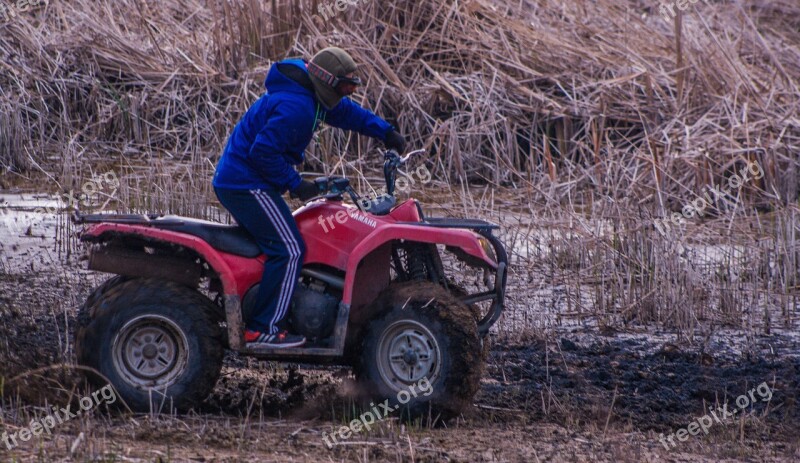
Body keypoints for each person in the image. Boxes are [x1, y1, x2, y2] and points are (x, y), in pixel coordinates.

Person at [213, 47, 406, 348]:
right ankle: (261, 328)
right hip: (244, 184)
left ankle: (265, 300)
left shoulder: (313, 95)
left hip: (252, 180)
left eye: (351, 88)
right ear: (327, 81)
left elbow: (346, 113)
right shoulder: (298, 106)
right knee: (289, 249)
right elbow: (262, 153)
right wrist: (296, 184)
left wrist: (385, 132)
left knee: (277, 243)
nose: (346, 94)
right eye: (344, 87)